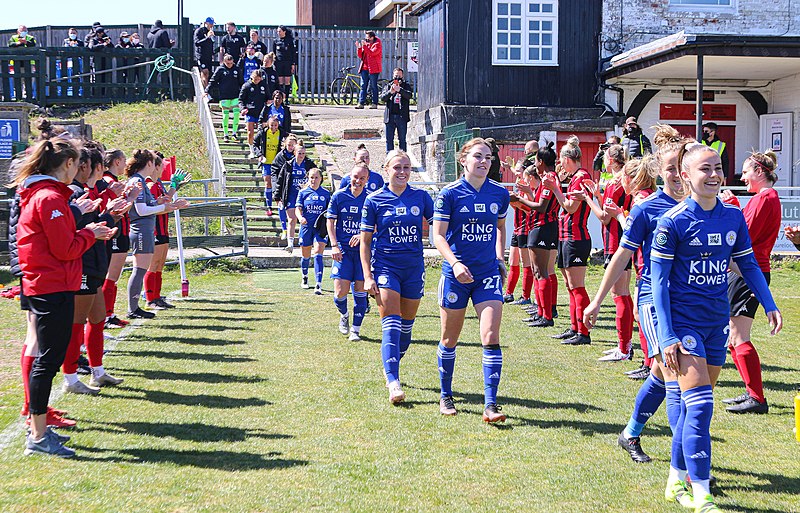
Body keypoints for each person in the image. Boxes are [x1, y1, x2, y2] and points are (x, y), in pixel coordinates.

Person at [650, 141, 781, 513]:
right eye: (704, 169)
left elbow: (749, 264)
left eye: (718, 168)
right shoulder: (672, 221)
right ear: (685, 175)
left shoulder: (731, 216)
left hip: (715, 325)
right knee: (702, 406)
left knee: (693, 410)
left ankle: (675, 480)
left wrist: (769, 304)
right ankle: (702, 494)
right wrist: (667, 335)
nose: (714, 175)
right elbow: (658, 283)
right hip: (683, 326)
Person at [583, 125, 685, 465]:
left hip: (690, 303)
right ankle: (685, 463)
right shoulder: (646, 209)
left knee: (660, 373)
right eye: (670, 168)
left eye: (682, 167)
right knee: (675, 373)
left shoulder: (703, 208)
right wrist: (597, 301)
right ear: (659, 171)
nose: (677, 175)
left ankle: (630, 433)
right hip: (653, 299)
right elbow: (620, 257)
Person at [16, 139, 116, 457]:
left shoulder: (48, 196)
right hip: (50, 287)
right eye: (76, 164)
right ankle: (38, 435)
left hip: (50, 284)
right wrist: (91, 234)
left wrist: (85, 230)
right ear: (69, 164)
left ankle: (40, 431)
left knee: (48, 360)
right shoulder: (49, 198)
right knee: (47, 362)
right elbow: (65, 249)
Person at [432, 138, 510, 422]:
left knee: (490, 336)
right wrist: (454, 264)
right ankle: (446, 395)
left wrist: (500, 258)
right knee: (450, 338)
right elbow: (438, 235)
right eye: (478, 156)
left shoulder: (499, 193)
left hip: (487, 273)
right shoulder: (449, 194)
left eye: (488, 157)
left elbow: (501, 227)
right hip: (455, 276)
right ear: (463, 160)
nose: (484, 162)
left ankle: (490, 405)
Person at [361, 150, 434, 403]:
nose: (402, 172)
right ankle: (393, 381)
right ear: (386, 169)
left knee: (406, 327)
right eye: (397, 167)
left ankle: (390, 361)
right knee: (390, 323)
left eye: (406, 167)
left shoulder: (422, 197)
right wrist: (368, 275)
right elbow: (366, 241)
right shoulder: (374, 200)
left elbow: (443, 224)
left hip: (414, 268)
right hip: (385, 267)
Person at [62, 146, 129, 396]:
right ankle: (70, 376)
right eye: (92, 164)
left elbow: (90, 225)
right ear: (84, 166)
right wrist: (102, 221)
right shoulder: (73, 193)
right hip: (82, 264)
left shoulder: (86, 191)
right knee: (76, 322)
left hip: (95, 262)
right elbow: (73, 228)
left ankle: (98, 371)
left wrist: (110, 217)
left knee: (98, 318)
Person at [719, 151, 781, 414]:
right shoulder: (763, 198)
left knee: (738, 335)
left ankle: (757, 398)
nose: (742, 177)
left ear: (758, 171)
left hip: (749, 273)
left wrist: (732, 205)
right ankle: (751, 392)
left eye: (745, 172)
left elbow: (741, 235)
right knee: (734, 337)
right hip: (745, 272)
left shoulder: (766, 198)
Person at [583, 144, 634, 361]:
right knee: (623, 293)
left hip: (616, 241)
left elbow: (605, 217)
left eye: (604, 157)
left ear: (611, 160)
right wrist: (598, 195)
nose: (603, 160)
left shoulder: (615, 183)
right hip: (623, 239)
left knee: (619, 294)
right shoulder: (623, 180)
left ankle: (624, 348)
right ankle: (625, 345)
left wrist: (588, 199)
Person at [125, 150, 188, 319]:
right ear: (150, 164)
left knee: (151, 267)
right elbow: (141, 209)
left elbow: (153, 202)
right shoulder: (140, 181)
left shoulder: (145, 182)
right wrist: (164, 206)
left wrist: (166, 203)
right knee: (141, 270)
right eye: (156, 163)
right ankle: (139, 304)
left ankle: (149, 300)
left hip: (150, 229)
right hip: (143, 231)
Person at [544, 136, 593, 345]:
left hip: (577, 236)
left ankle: (584, 332)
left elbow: (571, 207)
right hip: (567, 235)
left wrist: (556, 187)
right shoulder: (574, 177)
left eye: (560, 159)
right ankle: (575, 327)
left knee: (577, 285)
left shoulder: (582, 176)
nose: (558, 164)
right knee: (570, 284)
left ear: (567, 158)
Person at [514, 144, 560, 327]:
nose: (535, 164)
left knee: (541, 272)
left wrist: (519, 199)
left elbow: (542, 207)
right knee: (537, 271)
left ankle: (547, 316)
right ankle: (541, 312)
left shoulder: (550, 177)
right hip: (540, 226)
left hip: (543, 226)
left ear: (541, 162)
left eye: (536, 161)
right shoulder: (547, 178)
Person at [327, 164, 371, 341]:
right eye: (355, 177)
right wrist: (334, 245)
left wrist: (362, 236)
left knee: (361, 291)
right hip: (343, 251)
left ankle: (355, 330)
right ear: (350, 176)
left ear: (367, 180)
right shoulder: (339, 196)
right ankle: (344, 315)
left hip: (363, 252)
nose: (358, 181)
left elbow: (376, 225)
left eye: (362, 178)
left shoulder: (371, 199)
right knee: (340, 292)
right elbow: (330, 221)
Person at [145, 153, 189, 310]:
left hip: (163, 229)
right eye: (162, 165)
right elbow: (153, 209)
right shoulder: (149, 184)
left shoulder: (157, 184)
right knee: (153, 264)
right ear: (155, 167)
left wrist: (174, 187)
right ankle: (150, 298)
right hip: (154, 230)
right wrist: (174, 206)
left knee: (160, 265)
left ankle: (157, 297)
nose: (164, 167)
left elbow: (165, 201)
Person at [101, 149, 138, 329]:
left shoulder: (114, 181)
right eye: (123, 160)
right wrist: (131, 196)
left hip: (120, 232)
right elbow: (119, 209)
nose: (125, 164)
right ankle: (106, 315)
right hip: (115, 233)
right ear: (116, 161)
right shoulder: (109, 182)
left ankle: (110, 313)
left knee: (113, 277)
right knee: (110, 277)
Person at [275, 142, 316, 253]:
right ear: (294, 152)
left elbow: (317, 177)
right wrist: (277, 196)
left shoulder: (309, 165)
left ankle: (307, 242)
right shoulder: (288, 165)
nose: (301, 155)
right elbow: (280, 181)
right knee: (292, 219)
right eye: (299, 153)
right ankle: (290, 244)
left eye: (303, 153)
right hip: (291, 195)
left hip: (305, 196)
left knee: (305, 220)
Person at [296, 168, 331, 293]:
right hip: (306, 227)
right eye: (311, 177)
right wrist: (301, 218)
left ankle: (318, 284)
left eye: (316, 177)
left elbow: (330, 212)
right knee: (306, 255)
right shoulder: (303, 192)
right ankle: (305, 277)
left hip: (320, 229)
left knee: (318, 253)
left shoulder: (326, 194)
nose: (313, 180)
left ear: (321, 179)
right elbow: (298, 209)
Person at [504, 167, 535, 306]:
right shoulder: (522, 190)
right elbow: (518, 207)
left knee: (526, 263)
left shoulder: (531, 191)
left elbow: (531, 209)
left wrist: (518, 203)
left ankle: (525, 296)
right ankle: (508, 294)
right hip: (517, 229)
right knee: (512, 261)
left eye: (520, 173)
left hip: (525, 229)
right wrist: (512, 202)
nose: (518, 176)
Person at [205, 54, 244, 142]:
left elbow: (241, 82)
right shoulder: (220, 69)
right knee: (225, 116)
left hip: (235, 96)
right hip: (224, 97)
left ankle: (234, 133)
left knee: (236, 114)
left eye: (231, 63)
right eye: (228, 63)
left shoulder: (237, 69)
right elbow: (213, 80)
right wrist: (206, 90)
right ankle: (225, 134)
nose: (230, 65)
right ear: (224, 62)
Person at [253, 116, 283, 216]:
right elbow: (254, 144)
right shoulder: (263, 133)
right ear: (268, 124)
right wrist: (260, 155)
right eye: (271, 125)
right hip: (266, 162)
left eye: (275, 125)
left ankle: (280, 203)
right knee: (267, 183)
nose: (274, 127)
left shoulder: (282, 133)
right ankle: (269, 206)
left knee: (278, 183)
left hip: (277, 164)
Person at [271, 135, 298, 240]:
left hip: (295, 186)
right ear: (285, 145)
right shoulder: (280, 156)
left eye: (293, 145)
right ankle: (284, 230)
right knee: (281, 206)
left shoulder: (299, 155)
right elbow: (274, 172)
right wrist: (276, 189)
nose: (291, 147)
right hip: (283, 186)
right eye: (289, 145)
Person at [380, 68, 412, 152]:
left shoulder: (406, 86)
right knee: (389, 140)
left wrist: (400, 90)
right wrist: (390, 92)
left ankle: (403, 160)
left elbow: (409, 95)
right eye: (396, 76)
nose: (397, 78)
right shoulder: (388, 86)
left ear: (403, 76)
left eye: (399, 76)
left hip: (401, 117)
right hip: (390, 117)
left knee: (402, 140)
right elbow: (382, 98)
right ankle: (389, 160)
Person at [238, 70, 269, 158]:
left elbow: (268, 97)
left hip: (261, 113)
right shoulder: (246, 86)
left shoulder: (264, 85)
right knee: (250, 132)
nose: (257, 81)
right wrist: (242, 109)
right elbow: (240, 100)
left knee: (261, 132)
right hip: (250, 112)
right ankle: (251, 150)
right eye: (255, 79)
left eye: (258, 79)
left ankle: (259, 149)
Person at [356, 31, 382, 109]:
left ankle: (374, 103)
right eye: (366, 38)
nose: (366, 40)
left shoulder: (377, 45)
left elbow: (372, 53)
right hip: (364, 68)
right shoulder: (366, 45)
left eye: (368, 38)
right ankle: (361, 103)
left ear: (372, 37)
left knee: (373, 86)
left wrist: (364, 46)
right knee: (363, 85)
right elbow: (361, 56)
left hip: (374, 69)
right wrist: (359, 48)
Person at [273, 26, 297, 99]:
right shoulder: (276, 41)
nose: (278, 33)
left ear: (284, 32)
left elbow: (293, 53)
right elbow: (274, 52)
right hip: (279, 63)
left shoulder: (289, 41)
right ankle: (280, 98)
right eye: (277, 31)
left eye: (280, 31)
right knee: (280, 81)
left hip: (287, 63)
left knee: (287, 81)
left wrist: (293, 64)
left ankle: (286, 98)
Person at [194, 17, 215, 88]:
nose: (211, 26)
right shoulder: (199, 31)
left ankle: (206, 90)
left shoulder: (211, 32)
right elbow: (197, 43)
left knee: (208, 74)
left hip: (208, 57)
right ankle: (205, 92)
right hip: (201, 56)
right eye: (210, 24)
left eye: (212, 24)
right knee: (204, 72)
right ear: (206, 23)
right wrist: (207, 38)